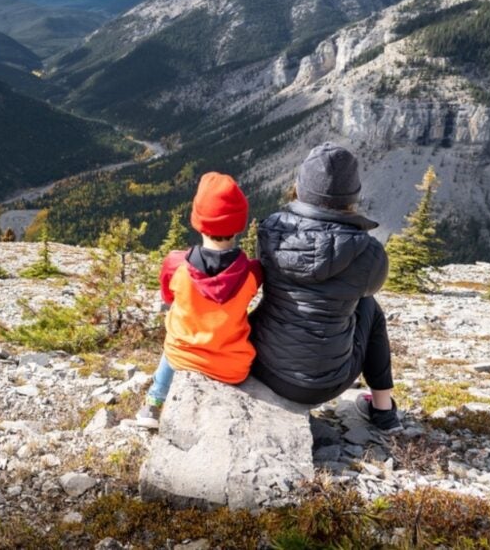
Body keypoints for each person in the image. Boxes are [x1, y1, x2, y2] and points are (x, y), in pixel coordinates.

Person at [249, 142, 401, 432]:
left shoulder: (270, 231)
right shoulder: (368, 252)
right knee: (370, 307)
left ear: (300, 187)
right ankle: (384, 411)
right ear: (352, 195)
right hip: (326, 383)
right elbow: (368, 290)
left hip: (263, 367)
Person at [136, 172, 263, 430]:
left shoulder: (175, 264)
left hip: (182, 357)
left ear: (198, 221)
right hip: (232, 367)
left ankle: (154, 403)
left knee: (172, 338)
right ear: (239, 224)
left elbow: (168, 298)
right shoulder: (252, 273)